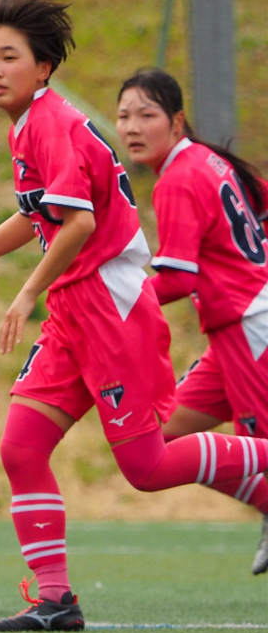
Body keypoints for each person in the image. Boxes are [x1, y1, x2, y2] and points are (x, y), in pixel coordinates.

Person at [0, 0, 268, 632]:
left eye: (7, 57)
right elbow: (38, 216)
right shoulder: (28, 125)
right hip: (74, 314)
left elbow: (76, 224)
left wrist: (27, 292)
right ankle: (55, 599)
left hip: (109, 309)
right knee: (22, 446)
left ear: (44, 67)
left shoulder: (53, 122)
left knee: (148, 467)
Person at [115, 67, 268, 574]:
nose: (133, 126)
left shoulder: (179, 177)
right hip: (232, 332)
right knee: (165, 439)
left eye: (147, 114)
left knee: (259, 449)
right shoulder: (209, 160)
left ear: (177, 121)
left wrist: (113, 308)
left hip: (250, 327)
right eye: (123, 116)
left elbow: (178, 280)